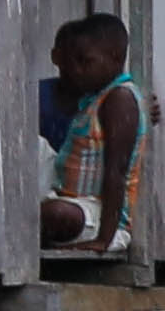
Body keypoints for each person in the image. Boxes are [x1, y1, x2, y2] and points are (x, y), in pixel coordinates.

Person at [39, 14, 146, 252]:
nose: (77, 70)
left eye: (85, 61)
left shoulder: (119, 99)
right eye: (74, 61)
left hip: (99, 216)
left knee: (54, 214)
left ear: (115, 58)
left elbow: (117, 172)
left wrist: (104, 239)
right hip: (69, 197)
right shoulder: (93, 98)